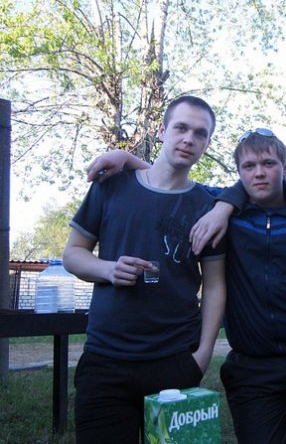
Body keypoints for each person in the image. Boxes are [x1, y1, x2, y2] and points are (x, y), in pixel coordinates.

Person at [86, 128, 286, 444]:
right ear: (238, 172)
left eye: (268, 164)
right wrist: (127, 158)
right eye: (249, 166)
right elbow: (172, 182)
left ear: (284, 167)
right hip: (252, 366)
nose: (259, 173)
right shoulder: (219, 209)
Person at [63, 95, 227, 444]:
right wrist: (108, 269)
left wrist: (202, 355)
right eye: (181, 128)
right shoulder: (112, 185)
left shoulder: (209, 207)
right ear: (162, 131)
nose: (189, 139)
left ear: (207, 142)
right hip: (106, 360)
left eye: (200, 133)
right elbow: (73, 254)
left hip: (176, 359)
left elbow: (214, 286)